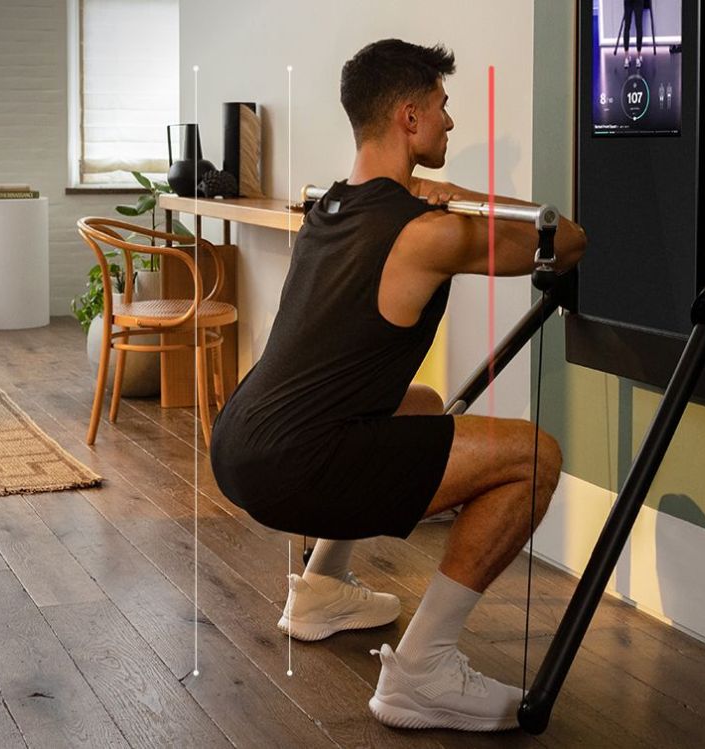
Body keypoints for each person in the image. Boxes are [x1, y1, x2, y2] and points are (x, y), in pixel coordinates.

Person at [210, 38, 586, 732]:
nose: (451, 124)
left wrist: (424, 194)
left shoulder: (328, 207)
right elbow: (563, 238)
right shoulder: (426, 232)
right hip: (292, 465)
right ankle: (423, 672)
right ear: (409, 119)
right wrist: (457, 199)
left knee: (419, 405)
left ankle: (319, 589)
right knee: (534, 456)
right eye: (442, 109)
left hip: (236, 444)